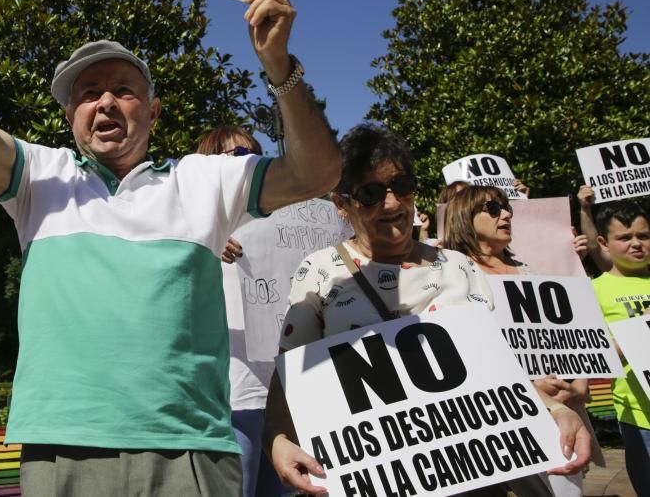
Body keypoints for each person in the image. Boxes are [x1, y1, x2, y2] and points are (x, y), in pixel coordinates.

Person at [0, 0, 342, 495]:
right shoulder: (40, 176)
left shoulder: (205, 180)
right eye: (88, 93)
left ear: (155, 113)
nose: (105, 101)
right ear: (71, 119)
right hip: (62, 448)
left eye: (123, 88)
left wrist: (278, 66)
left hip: (188, 452)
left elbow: (318, 173)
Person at [262, 125, 591, 496]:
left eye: (401, 186)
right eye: (370, 193)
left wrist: (555, 410)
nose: (391, 204)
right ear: (342, 204)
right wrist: (276, 438)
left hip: (478, 476)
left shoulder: (459, 266)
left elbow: (498, 369)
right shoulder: (320, 271)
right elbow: (290, 371)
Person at [443, 184, 606, 497]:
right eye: (492, 209)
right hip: (491, 420)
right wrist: (528, 389)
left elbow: (572, 339)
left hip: (559, 412)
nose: (505, 214)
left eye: (506, 209)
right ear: (465, 217)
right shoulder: (452, 278)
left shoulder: (532, 273)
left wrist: (579, 384)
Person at [196, 125, 284, 497]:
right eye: (238, 155)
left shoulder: (282, 222)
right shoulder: (192, 227)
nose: (250, 162)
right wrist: (205, 246)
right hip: (232, 396)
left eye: (255, 154)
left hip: (282, 396)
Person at [591, 202, 650, 497]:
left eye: (644, 235)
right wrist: (636, 335)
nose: (637, 244)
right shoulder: (593, 291)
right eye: (625, 237)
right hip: (640, 416)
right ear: (603, 242)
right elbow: (594, 357)